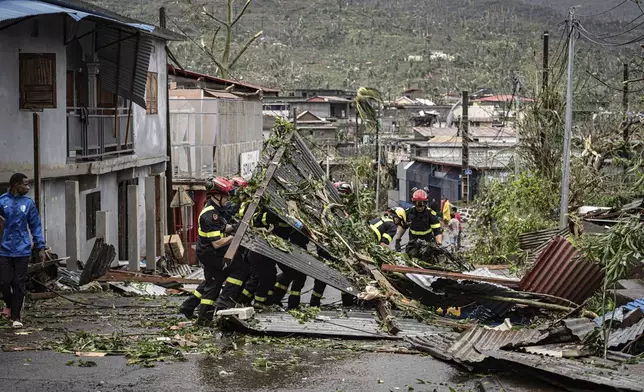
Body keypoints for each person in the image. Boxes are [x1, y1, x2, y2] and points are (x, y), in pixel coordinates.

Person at [193, 176, 249, 325]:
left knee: (214, 282)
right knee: (239, 269)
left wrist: (235, 227)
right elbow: (217, 243)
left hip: (208, 252)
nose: (228, 199)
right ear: (217, 196)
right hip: (210, 253)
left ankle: (204, 320)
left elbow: (223, 228)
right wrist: (236, 236)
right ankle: (223, 305)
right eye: (226, 196)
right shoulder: (210, 215)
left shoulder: (216, 211)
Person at [0, 173, 46, 329]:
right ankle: (11, 305)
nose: (28, 187)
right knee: (4, 282)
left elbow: (35, 225)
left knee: (18, 283)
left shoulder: (28, 203)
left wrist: (40, 246)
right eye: (25, 184)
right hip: (4, 249)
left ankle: (16, 317)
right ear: (15, 185)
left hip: (22, 249)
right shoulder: (2, 201)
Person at [395, 189, 442, 257]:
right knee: (411, 257)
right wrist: (397, 240)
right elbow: (403, 227)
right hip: (413, 243)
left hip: (428, 243)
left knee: (428, 259)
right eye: (417, 205)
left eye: (422, 205)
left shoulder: (430, 214)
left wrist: (439, 244)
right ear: (414, 202)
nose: (419, 208)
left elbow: (437, 231)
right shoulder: (408, 212)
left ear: (425, 203)